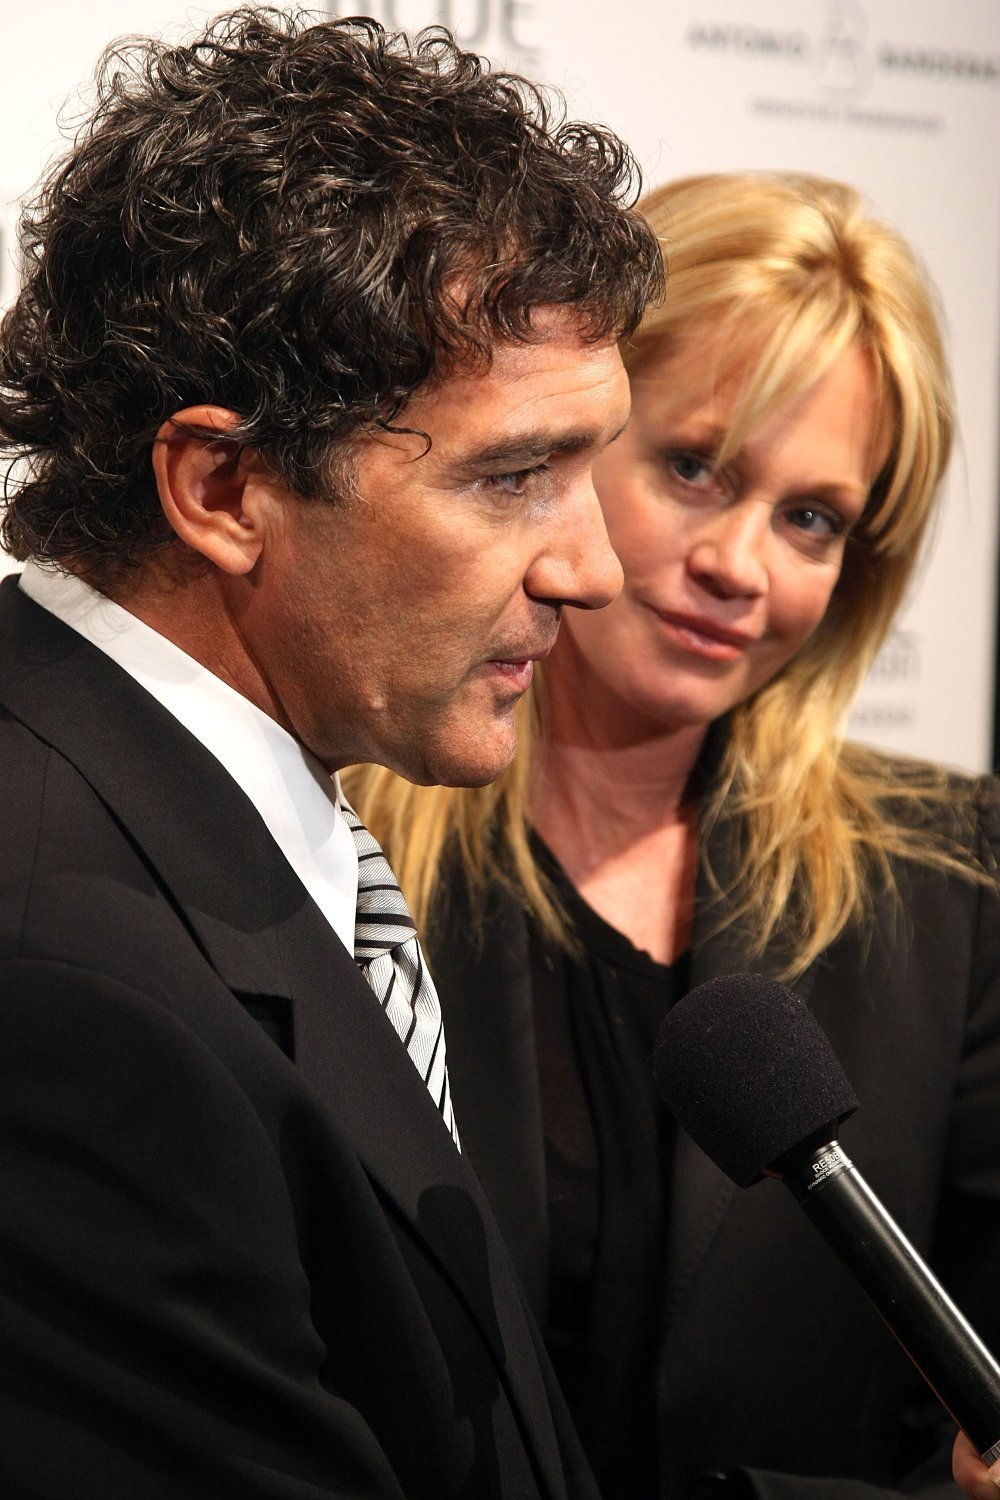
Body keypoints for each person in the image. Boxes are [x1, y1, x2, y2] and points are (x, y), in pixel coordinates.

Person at [0, 8, 665, 1496]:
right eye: (513, 477)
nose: (595, 571)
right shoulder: (66, 989)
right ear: (224, 487)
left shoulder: (207, 821)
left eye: (590, 472)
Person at [345, 171, 1000, 1500]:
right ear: (560, 443)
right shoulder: (337, 845)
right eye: (695, 468)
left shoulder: (953, 881)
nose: (739, 567)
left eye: (811, 519)